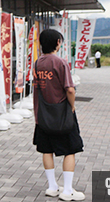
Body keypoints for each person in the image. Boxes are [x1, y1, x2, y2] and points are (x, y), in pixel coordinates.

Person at [33, 29, 85, 201]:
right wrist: (73, 106)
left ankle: (52, 187)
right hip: (62, 114)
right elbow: (70, 89)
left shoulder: (37, 63)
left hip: (43, 114)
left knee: (46, 150)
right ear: (57, 42)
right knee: (70, 150)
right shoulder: (60, 62)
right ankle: (68, 190)